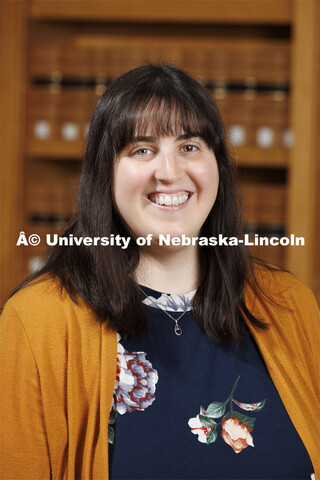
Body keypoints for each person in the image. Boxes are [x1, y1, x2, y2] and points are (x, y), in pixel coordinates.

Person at [0, 64, 319, 480]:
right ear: (105, 173)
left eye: (189, 147)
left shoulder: (291, 306)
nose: (169, 172)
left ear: (217, 166)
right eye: (141, 149)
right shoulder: (36, 322)